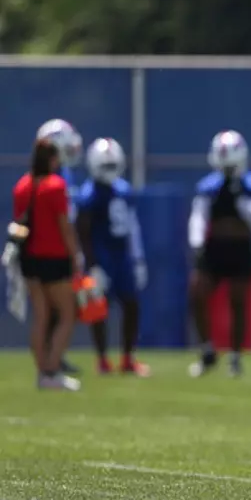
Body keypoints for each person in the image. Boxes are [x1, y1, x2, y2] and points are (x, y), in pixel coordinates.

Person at [187, 130, 251, 378]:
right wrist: (197, 243)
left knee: (238, 300)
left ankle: (235, 356)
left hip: (240, 248)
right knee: (197, 293)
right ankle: (207, 350)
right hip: (214, 248)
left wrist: (241, 202)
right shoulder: (209, 187)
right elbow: (199, 217)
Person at [12, 138, 84, 390]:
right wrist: (76, 255)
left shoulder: (22, 186)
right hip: (53, 258)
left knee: (41, 317)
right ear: (52, 159)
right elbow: (64, 226)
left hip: (29, 259)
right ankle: (52, 370)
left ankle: (43, 372)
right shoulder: (55, 186)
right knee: (67, 314)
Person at [75, 138, 150, 376]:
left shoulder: (124, 190)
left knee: (131, 304)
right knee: (97, 309)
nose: (109, 171)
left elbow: (133, 226)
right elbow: (82, 231)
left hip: (122, 255)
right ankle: (103, 360)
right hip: (101, 256)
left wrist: (138, 258)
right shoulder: (88, 194)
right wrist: (91, 264)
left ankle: (128, 358)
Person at [36, 119, 83, 376]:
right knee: (59, 311)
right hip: (52, 251)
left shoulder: (61, 176)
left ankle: (52, 360)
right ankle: (49, 366)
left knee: (56, 311)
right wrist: (75, 253)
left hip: (49, 251)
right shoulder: (50, 180)